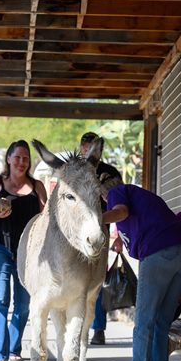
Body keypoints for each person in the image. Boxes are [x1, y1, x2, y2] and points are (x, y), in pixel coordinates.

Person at [102, 183, 181, 361]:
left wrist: (92, 217)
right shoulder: (139, 195)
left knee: (143, 322)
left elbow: (120, 212)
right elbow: (135, 218)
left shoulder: (116, 192)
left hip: (157, 252)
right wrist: (119, 239)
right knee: (161, 321)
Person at [0, 140, 47, 361]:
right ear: (8, 158)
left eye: (25, 158)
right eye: (17, 157)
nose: (21, 162)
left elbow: (46, 218)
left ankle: (14, 346)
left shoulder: (37, 186)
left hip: (28, 252)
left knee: (25, 303)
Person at [79, 132, 123, 346]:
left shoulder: (111, 173)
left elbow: (120, 205)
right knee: (77, 280)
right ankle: (79, 328)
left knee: (97, 281)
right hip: (75, 233)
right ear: (81, 149)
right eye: (86, 149)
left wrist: (121, 237)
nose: (90, 153)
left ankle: (98, 328)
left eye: (95, 150)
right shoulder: (74, 171)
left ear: (100, 152)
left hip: (101, 231)